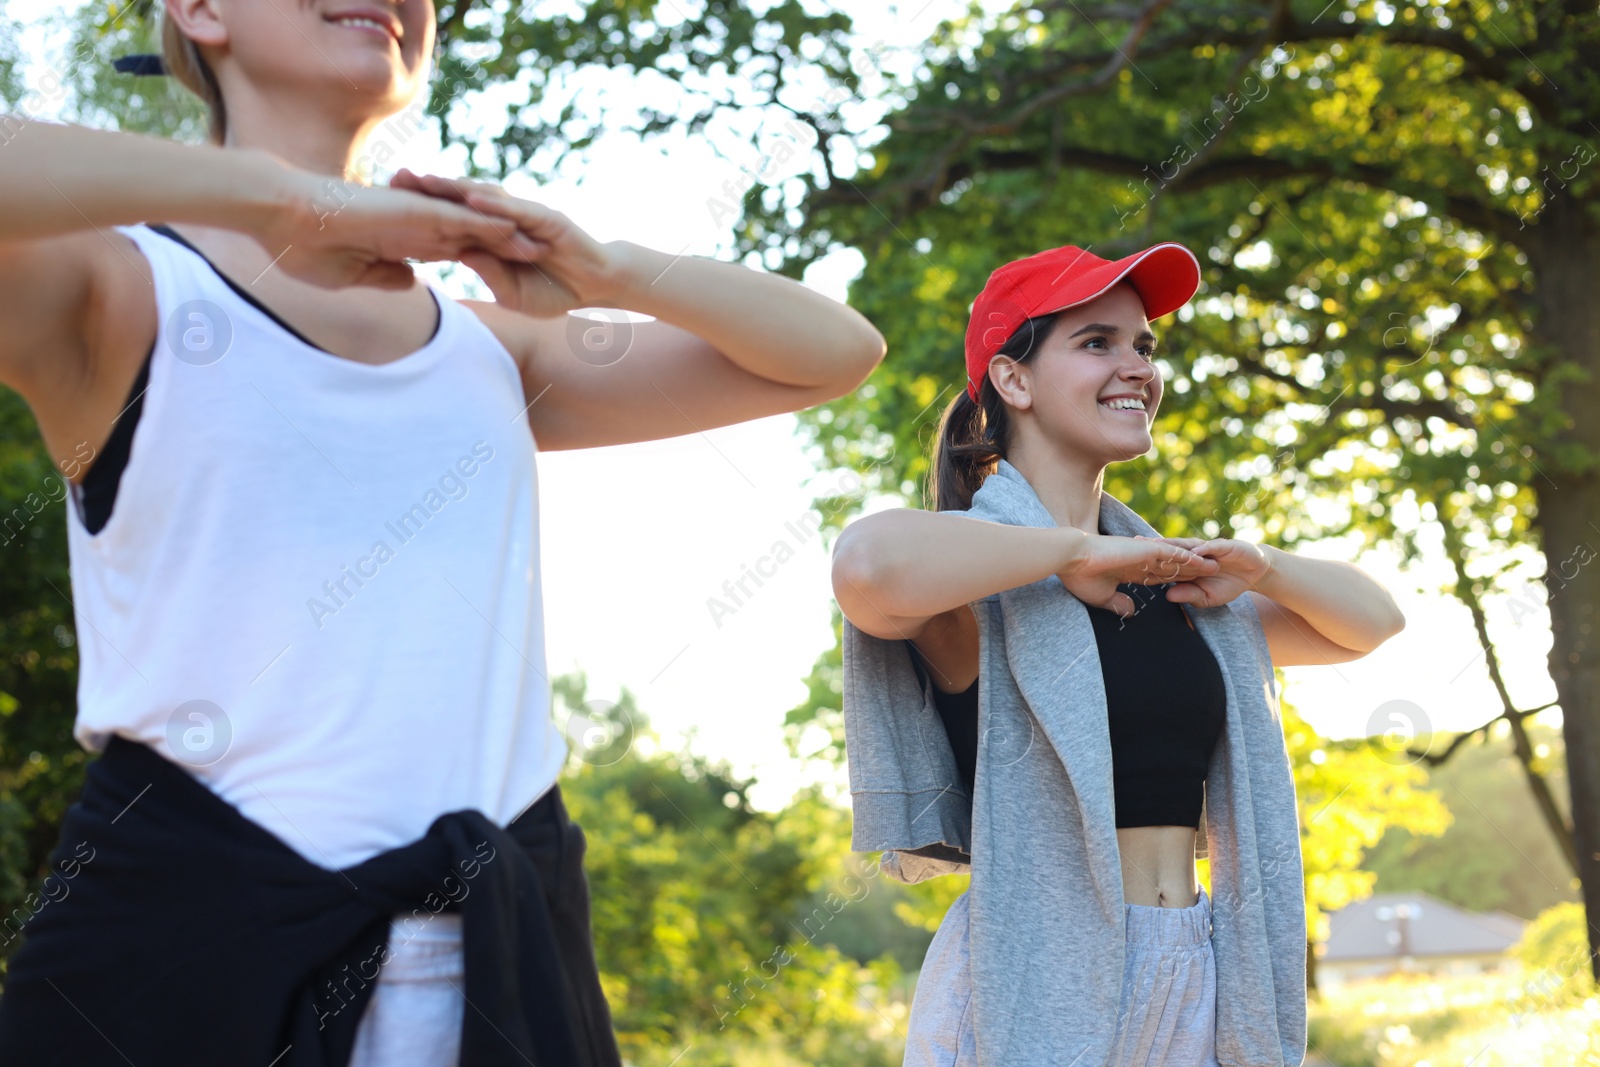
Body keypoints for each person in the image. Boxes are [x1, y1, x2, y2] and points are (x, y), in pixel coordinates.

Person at [0, 3, 885, 1064]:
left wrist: (606, 269)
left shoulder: (488, 347)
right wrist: (289, 202)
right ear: (199, 11)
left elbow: (832, 351)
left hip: (500, 974)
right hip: (182, 965)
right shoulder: (122, 289)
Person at [831, 243, 1405, 1066]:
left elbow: (1372, 621)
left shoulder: (1173, 587)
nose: (1136, 364)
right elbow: (864, 565)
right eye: (1097, 342)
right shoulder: (976, 587)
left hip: (1193, 969)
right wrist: (1067, 555)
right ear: (1013, 380)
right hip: (1035, 983)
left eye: (1145, 345)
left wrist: (1266, 566)